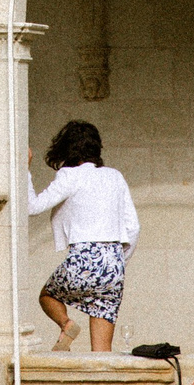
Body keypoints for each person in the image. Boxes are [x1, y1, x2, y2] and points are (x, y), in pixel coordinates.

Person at [25, 118, 141, 352]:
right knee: (101, 353)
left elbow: (32, 207)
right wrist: (118, 261)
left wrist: (24, 169)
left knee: (47, 296)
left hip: (84, 257)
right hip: (114, 264)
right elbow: (133, 228)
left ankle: (66, 325)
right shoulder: (114, 176)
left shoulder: (70, 175)